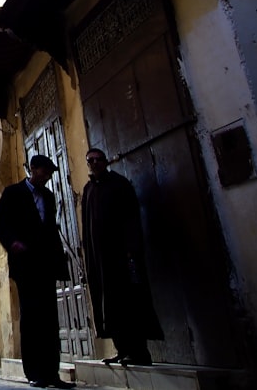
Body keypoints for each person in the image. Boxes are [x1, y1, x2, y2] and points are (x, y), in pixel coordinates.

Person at [0, 154, 74, 389]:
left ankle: (52, 372)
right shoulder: (12, 193)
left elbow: (49, 228)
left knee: (49, 318)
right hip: (25, 265)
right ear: (33, 169)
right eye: (45, 172)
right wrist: (13, 243)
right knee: (31, 317)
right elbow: (0, 222)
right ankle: (35, 372)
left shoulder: (48, 196)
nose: (47, 177)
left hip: (46, 264)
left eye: (49, 174)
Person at [81, 147, 163, 366]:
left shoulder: (119, 185)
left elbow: (131, 219)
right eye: (91, 160)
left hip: (120, 257)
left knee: (129, 303)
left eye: (99, 159)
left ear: (105, 162)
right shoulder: (88, 190)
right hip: (99, 262)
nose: (95, 163)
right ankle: (122, 349)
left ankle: (139, 352)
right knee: (109, 305)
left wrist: (131, 249)